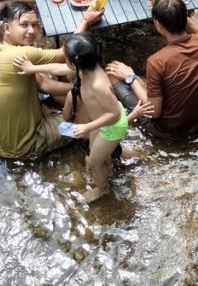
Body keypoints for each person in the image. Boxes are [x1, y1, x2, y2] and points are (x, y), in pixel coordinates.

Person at [15, 34, 150, 202]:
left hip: (111, 126)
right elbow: (56, 69)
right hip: (100, 124)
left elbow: (114, 114)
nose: (65, 63)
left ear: (74, 62)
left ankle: (102, 189)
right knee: (99, 156)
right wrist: (32, 69)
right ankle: (108, 169)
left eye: (66, 58)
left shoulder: (97, 84)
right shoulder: (85, 69)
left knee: (94, 162)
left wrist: (88, 127)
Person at [0, 1, 103, 160]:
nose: (31, 31)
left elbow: (45, 85)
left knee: (75, 93)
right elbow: (63, 54)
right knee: (95, 115)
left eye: (35, 25)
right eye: (24, 25)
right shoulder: (21, 54)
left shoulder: (1, 51)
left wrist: (76, 87)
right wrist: (86, 21)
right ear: (6, 28)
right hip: (25, 145)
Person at [105, 0, 198, 139]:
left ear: (158, 25)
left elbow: (154, 111)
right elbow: (191, 25)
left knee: (112, 73)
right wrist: (172, 10)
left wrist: (131, 77)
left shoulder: (156, 61)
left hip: (169, 131)